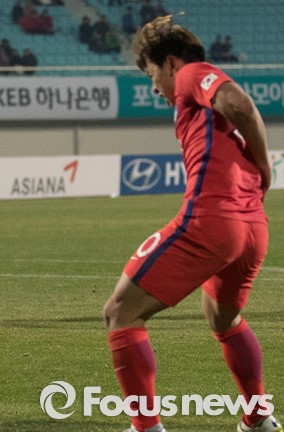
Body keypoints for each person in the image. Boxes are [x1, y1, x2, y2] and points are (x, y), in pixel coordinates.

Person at [104, 16, 279, 432]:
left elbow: (240, 104)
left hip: (211, 221)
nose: (154, 88)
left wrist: (266, 166)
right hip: (253, 228)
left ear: (168, 63)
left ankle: (146, 427)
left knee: (120, 312)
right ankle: (258, 418)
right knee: (223, 317)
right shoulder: (197, 102)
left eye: (151, 75)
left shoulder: (189, 74)